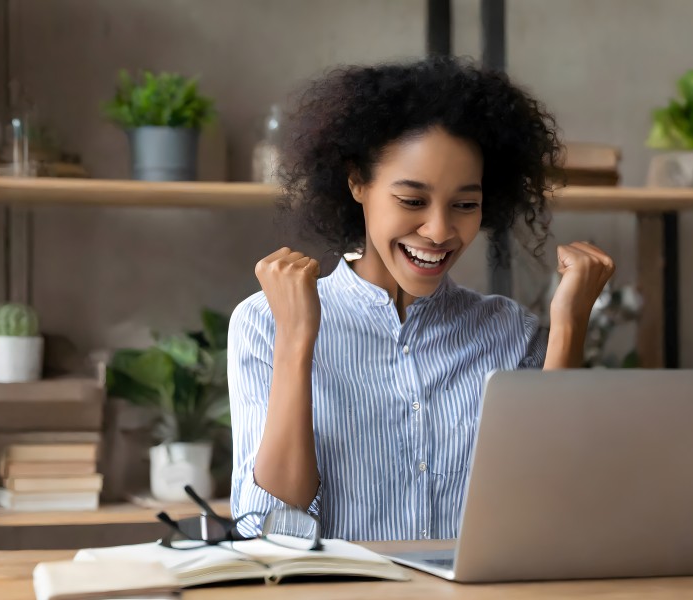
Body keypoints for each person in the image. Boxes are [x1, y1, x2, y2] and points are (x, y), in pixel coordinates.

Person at [229, 56, 615, 541]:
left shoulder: (511, 334)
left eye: (465, 205)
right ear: (357, 182)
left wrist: (570, 325)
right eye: (412, 201)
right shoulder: (266, 321)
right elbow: (270, 531)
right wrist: (296, 340)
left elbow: (553, 514)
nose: (438, 231)